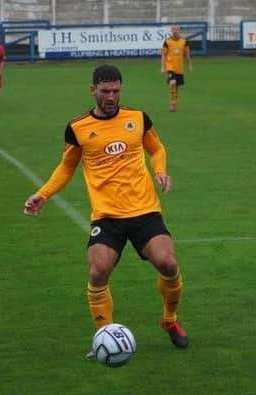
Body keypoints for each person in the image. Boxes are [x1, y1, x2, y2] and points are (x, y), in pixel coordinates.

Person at [23, 64, 189, 355]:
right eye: (105, 91)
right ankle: (105, 335)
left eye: (115, 90)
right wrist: (43, 194)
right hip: (107, 216)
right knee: (98, 271)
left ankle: (169, 320)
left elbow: (157, 148)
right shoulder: (78, 128)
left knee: (169, 264)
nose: (111, 97)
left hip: (145, 210)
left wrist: (160, 170)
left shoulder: (137, 118)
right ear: (93, 90)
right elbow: (66, 167)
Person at [161, 24, 193, 112]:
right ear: (171, 30)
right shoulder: (167, 42)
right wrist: (163, 67)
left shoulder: (184, 41)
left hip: (179, 68)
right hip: (170, 67)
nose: (175, 31)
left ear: (179, 30)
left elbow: (187, 55)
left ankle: (174, 102)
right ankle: (173, 103)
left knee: (176, 86)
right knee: (172, 82)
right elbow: (163, 55)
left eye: (177, 29)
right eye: (174, 29)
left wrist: (189, 65)